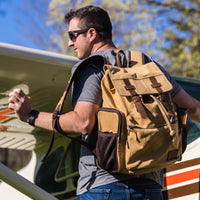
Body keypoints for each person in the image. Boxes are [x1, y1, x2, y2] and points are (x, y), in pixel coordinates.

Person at [8, 5, 200, 200]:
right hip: (150, 189)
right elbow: (193, 107)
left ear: (91, 34)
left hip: (103, 187)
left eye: (73, 36)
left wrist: (29, 115)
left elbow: (82, 123)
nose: (69, 43)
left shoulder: (92, 66)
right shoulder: (149, 65)